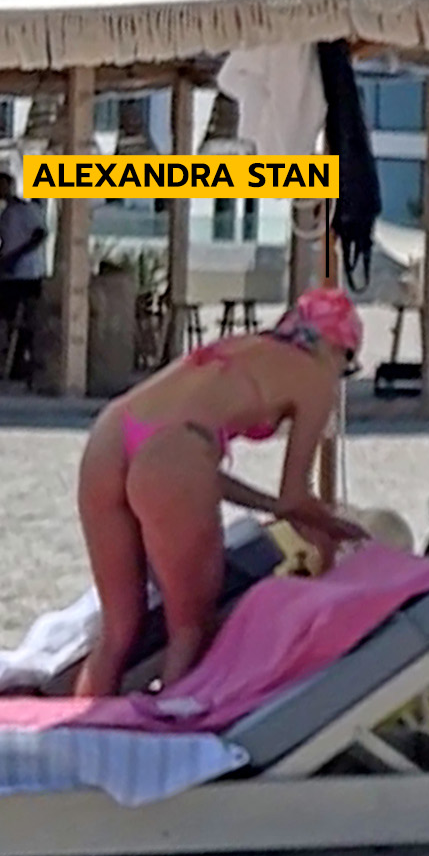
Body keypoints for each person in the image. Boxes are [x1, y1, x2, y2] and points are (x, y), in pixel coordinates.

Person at [74, 287, 371, 697]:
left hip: (112, 432)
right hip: (176, 455)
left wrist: (272, 506)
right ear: (338, 348)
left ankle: (80, 725)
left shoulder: (241, 347)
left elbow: (190, 466)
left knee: (119, 629)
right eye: (347, 363)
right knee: (190, 629)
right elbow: (294, 496)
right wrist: (338, 529)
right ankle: (171, 726)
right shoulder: (317, 379)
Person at [0, 173, 46, 380]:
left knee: (24, 320)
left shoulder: (25, 210)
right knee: (7, 319)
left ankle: (24, 361)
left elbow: (40, 234)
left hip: (26, 274)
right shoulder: (6, 213)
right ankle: (13, 362)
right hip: (9, 275)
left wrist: (16, 257)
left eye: (2, 185)